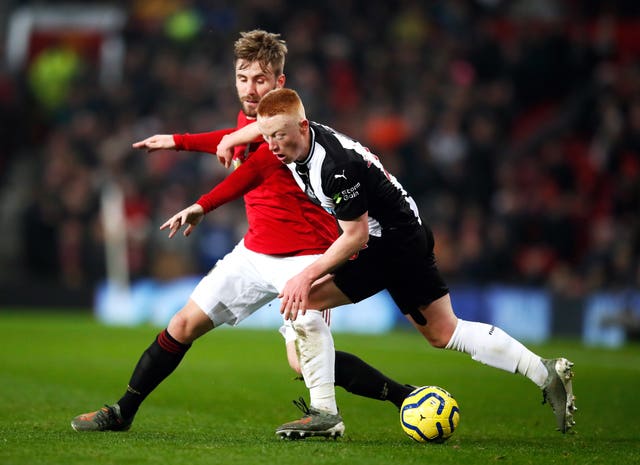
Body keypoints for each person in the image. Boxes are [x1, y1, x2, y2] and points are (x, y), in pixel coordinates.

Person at [71, 30, 414, 439]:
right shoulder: (247, 124)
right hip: (254, 254)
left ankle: (403, 396)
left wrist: (202, 204)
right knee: (181, 326)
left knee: (301, 362)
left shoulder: (286, 131)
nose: (251, 90)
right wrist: (178, 141)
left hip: (307, 259)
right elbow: (230, 141)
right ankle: (122, 411)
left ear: (280, 84)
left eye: (261, 80)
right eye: (243, 78)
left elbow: (251, 172)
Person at [240, 87, 575, 434]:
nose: (272, 145)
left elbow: (356, 236)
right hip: (407, 234)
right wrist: (222, 140)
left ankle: (325, 413)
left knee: (304, 299)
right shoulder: (297, 141)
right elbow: (265, 126)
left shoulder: (336, 168)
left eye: (279, 135)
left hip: (389, 244)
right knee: (444, 332)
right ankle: (544, 372)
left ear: (303, 126)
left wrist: (304, 276)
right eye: (267, 137)